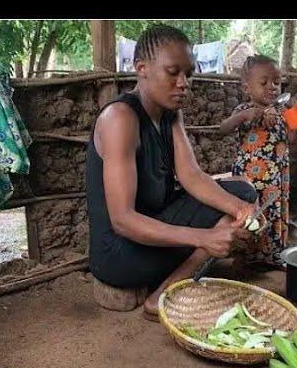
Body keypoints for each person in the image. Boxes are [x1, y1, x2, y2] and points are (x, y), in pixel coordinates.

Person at [86, 25, 258, 321]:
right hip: (119, 254)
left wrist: (243, 209)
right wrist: (203, 238)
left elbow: (192, 176)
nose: (184, 83)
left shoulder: (170, 114)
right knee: (219, 222)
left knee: (241, 192)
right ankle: (162, 299)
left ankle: (166, 288)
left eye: (188, 74)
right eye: (173, 72)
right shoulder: (120, 118)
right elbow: (123, 220)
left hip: (152, 232)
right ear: (141, 68)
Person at [219, 55, 297, 269]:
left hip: (276, 177)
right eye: (264, 82)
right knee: (249, 215)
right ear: (247, 88)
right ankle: (246, 256)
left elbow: (292, 141)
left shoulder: (283, 113)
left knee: (274, 214)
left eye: (276, 82)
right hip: (250, 179)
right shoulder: (243, 111)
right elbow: (223, 129)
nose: (272, 87)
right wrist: (245, 116)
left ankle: (273, 256)